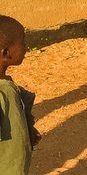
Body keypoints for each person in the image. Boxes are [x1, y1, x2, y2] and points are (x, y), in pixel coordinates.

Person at [0, 16, 39, 175]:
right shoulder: (2, 93)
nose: (26, 48)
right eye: (22, 42)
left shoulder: (7, 86)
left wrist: (28, 131)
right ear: (6, 53)